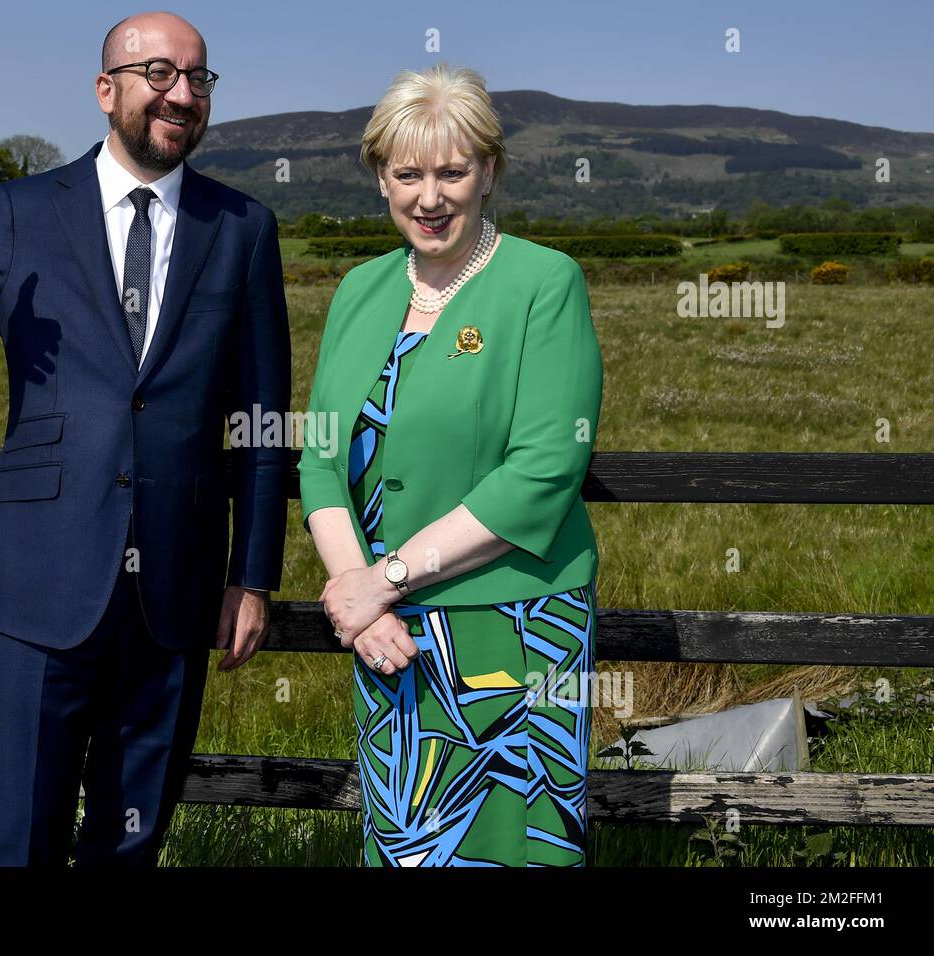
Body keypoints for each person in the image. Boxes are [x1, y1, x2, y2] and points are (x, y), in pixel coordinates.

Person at [0, 11, 291, 866]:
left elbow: (263, 418)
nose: (181, 93)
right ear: (107, 91)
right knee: (21, 844)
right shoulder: (20, 211)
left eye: (198, 79)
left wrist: (251, 576)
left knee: (129, 850)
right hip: (38, 587)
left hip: (174, 597)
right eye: (159, 74)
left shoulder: (243, 228)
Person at [298, 63, 603, 867]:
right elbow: (321, 460)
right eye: (408, 174)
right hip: (387, 636)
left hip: (517, 628)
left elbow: (542, 470)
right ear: (380, 179)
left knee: (513, 851)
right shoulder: (359, 290)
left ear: (490, 172)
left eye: (452, 171)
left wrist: (382, 578)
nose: (430, 197)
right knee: (408, 843)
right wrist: (358, 597)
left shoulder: (544, 283)